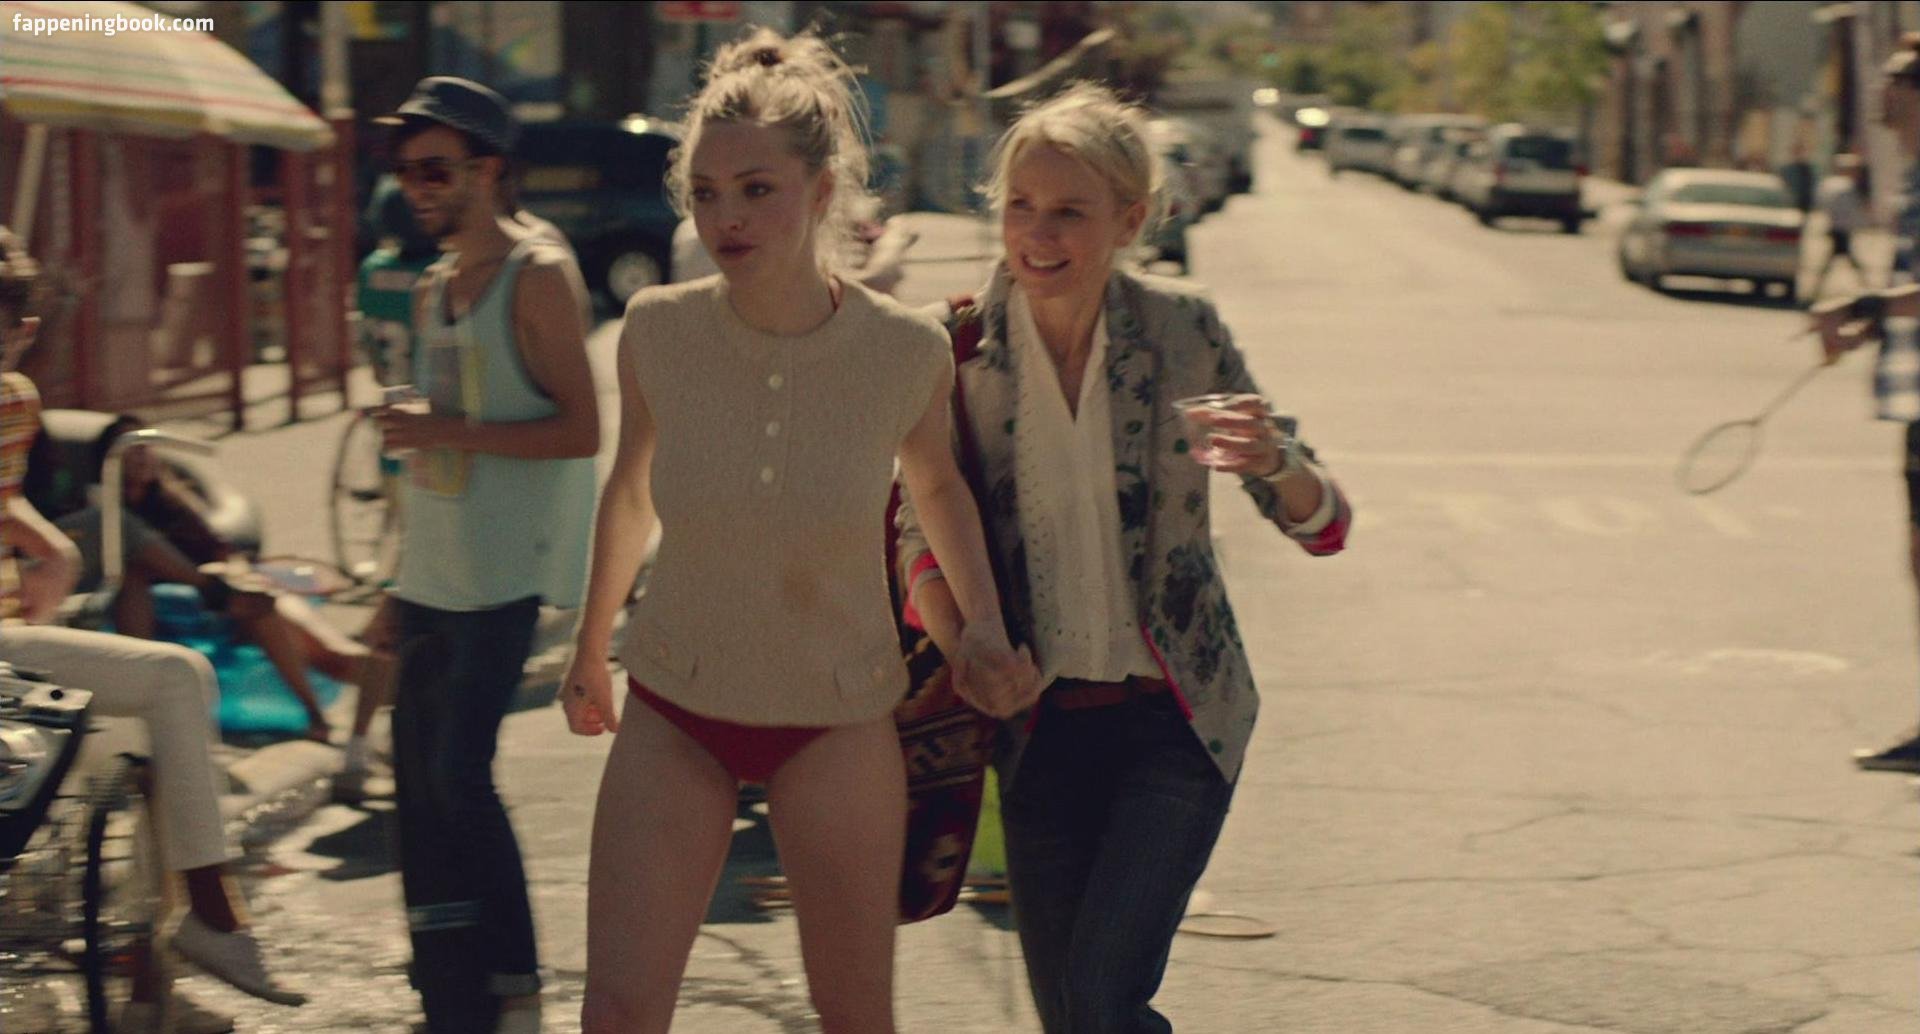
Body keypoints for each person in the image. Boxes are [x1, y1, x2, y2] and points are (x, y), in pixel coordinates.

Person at [559, 28, 1031, 1034]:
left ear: (821, 192)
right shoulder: (656, 328)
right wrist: (589, 647)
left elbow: (938, 488)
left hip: (838, 714)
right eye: (705, 192)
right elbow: (631, 490)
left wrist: (984, 623)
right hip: (678, 700)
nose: (725, 216)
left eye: (756, 189)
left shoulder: (904, 348)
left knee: (855, 1014)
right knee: (617, 1011)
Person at [893, 83, 1353, 1033]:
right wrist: (970, 642)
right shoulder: (954, 347)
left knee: (1103, 998)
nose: (1038, 233)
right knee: (1072, 1015)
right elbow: (916, 529)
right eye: (1021, 204)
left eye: (1070, 211)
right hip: (1038, 732)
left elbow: (1322, 523)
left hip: (1176, 724)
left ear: (1131, 220)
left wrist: (1273, 460)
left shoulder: (1183, 331)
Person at [0, 225, 306, 1031]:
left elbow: (7, 498)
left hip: (11, 646)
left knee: (149, 734)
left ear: (21, 334)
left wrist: (54, 548)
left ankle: (156, 987)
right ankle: (214, 916)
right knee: (176, 675)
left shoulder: (14, 401)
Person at [375, 76, 600, 1034]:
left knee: (461, 773)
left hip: (506, 574)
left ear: (489, 169)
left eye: (435, 170)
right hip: (433, 571)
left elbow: (582, 430)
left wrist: (446, 430)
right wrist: (393, 580)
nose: (417, 189)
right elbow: (438, 444)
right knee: (418, 784)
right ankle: (448, 987)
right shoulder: (432, 285)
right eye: (406, 172)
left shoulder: (536, 274)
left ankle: (517, 985)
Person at [36, 414, 396, 755]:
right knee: (140, 575)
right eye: (130, 448)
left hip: (234, 592)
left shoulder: (175, 502)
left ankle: (379, 702)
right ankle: (327, 718)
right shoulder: (105, 520)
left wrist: (233, 575)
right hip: (187, 606)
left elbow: (226, 551)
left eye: (146, 448)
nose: (141, 455)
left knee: (332, 654)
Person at [1815, 34, 1920, 776]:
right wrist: (1866, 328)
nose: (1881, 91)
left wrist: (1864, 306)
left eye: (1896, 80)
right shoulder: (1910, 176)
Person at [1811, 152, 1874, 300]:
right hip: (1839, 229)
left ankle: (1866, 287)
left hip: (1841, 228)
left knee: (1838, 260)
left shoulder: (1843, 186)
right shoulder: (1841, 186)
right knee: (1842, 259)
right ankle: (1867, 287)